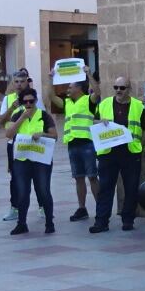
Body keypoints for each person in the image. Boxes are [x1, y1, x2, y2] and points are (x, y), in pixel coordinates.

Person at [92, 77, 145, 232]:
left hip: (130, 152)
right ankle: (101, 222)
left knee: (131, 187)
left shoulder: (137, 106)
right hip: (108, 152)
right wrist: (101, 122)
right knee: (105, 187)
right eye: (116, 87)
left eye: (122, 87)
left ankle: (128, 220)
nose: (119, 90)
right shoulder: (105, 104)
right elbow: (94, 122)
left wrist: (141, 144)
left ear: (129, 89)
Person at [4, 86, 57, 235]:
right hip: (22, 159)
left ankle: (49, 222)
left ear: (35, 101)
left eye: (31, 101)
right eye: (25, 102)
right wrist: (21, 118)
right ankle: (21, 223)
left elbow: (55, 136)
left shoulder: (44, 115)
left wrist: (42, 134)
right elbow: (8, 133)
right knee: (22, 192)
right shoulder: (17, 115)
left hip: (40, 159)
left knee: (43, 190)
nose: (28, 104)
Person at [57, 76, 101, 221]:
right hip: (72, 144)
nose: (68, 89)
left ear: (79, 88)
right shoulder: (67, 102)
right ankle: (82, 208)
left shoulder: (88, 100)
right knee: (78, 178)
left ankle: (101, 208)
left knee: (93, 177)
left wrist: (89, 75)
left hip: (87, 143)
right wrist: (51, 79)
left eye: (71, 87)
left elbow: (98, 92)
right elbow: (50, 96)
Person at [0, 69, 33, 222]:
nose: (19, 85)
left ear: (27, 82)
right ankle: (15, 207)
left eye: (22, 81)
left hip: (31, 142)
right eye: (16, 81)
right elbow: (1, 121)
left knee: (37, 176)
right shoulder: (8, 99)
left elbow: (44, 118)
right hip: (14, 143)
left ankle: (43, 206)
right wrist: (12, 107)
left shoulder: (33, 98)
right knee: (15, 177)